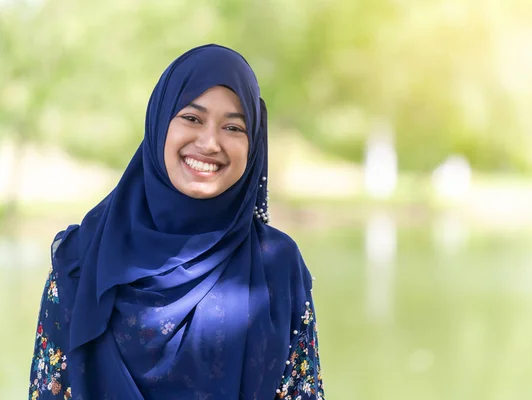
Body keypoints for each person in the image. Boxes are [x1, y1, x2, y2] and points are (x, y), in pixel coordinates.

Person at [28, 44, 324, 400]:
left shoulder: (276, 263)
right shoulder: (79, 260)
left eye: (233, 126)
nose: (210, 142)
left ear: (254, 143)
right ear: (159, 122)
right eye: (192, 118)